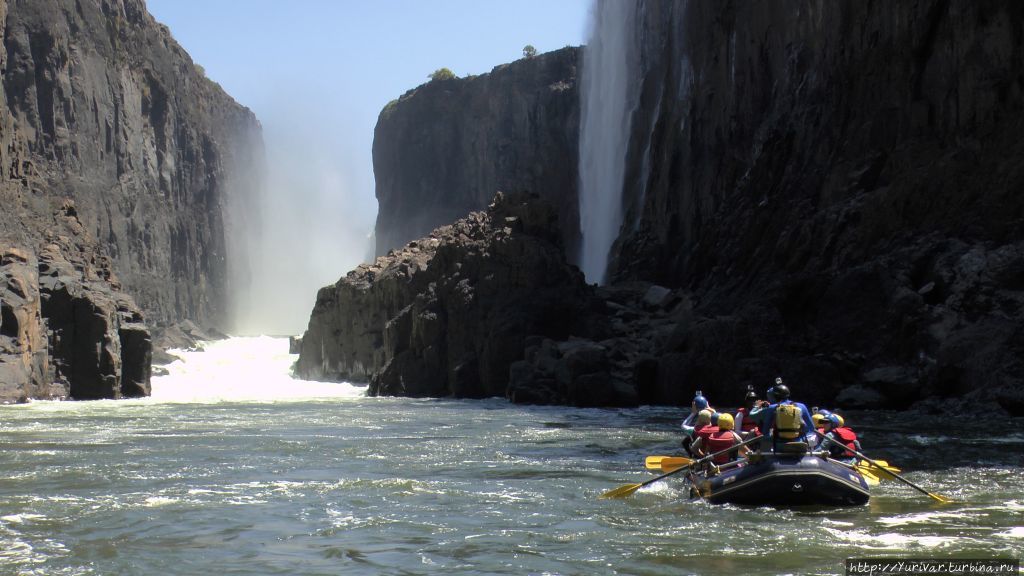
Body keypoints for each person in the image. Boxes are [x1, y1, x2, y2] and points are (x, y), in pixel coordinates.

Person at [750, 378, 815, 452]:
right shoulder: (801, 406)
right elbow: (811, 428)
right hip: (800, 443)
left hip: (779, 445)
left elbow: (754, 418)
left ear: (774, 397)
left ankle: (763, 459)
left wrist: (756, 406)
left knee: (765, 438)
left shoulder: (772, 408)